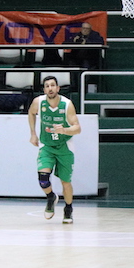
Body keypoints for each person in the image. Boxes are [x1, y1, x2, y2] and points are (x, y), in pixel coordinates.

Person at [28, 75, 81, 224]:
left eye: (52, 85)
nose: (50, 88)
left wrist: (64, 130)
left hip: (65, 147)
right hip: (47, 146)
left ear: (58, 88)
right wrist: (33, 134)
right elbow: (31, 113)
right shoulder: (38, 102)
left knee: (65, 182)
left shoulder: (67, 104)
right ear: (44, 90)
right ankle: (51, 196)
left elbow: (78, 128)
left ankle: (68, 209)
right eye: (47, 86)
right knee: (43, 179)